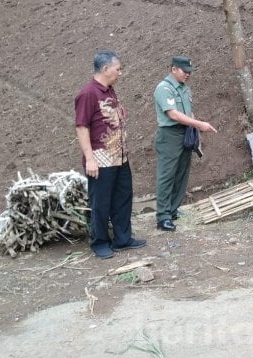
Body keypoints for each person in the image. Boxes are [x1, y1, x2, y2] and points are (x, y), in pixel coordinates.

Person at [75, 50, 146, 259]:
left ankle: (123, 239)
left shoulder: (109, 90)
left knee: (123, 198)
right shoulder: (88, 94)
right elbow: (81, 127)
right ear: (105, 69)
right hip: (100, 159)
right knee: (101, 202)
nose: (120, 73)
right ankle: (100, 242)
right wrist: (89, 158)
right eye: (118, 69)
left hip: (120, 157)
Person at [153, 56, 217, 231]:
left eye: (189, 72)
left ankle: (173, 210)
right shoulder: (164, 88)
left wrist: (196, 133)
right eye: (184, 71)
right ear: (174, 69)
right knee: (166, 175)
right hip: (170, 135)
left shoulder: (185, 88)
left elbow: (189, 112)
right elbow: (173, 115)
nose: (188, 74)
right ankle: (163, 217)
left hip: (186, 133)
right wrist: (200, 125)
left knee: (182, 173)